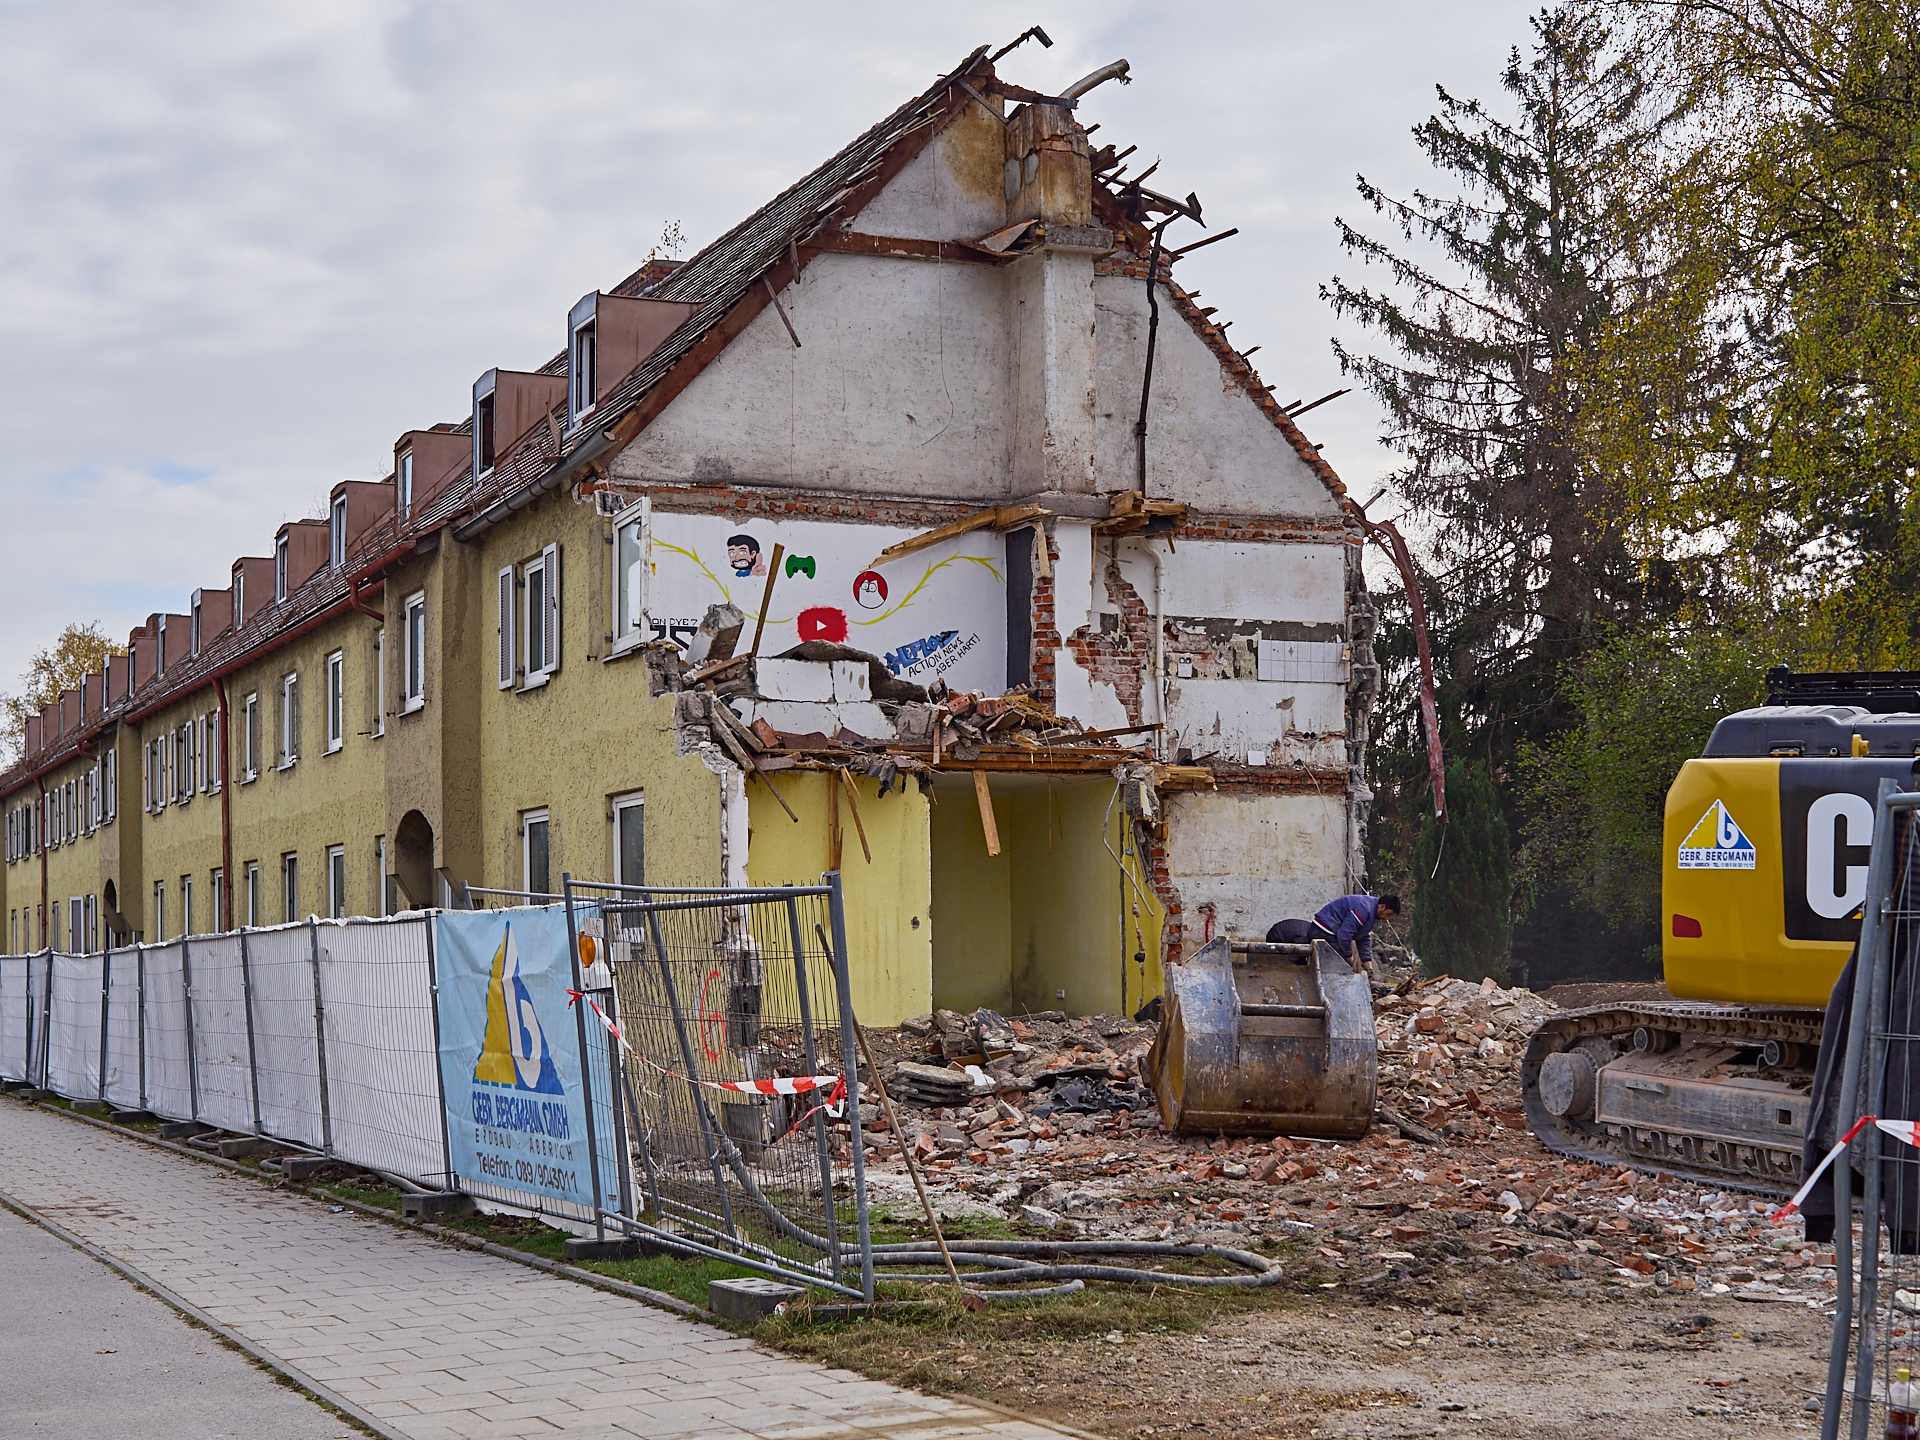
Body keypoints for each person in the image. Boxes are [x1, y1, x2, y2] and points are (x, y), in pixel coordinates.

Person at [1266, 894, 1400, 970]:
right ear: (1382, 906)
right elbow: (1344, 935)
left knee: (1341, 964)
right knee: (1339, 966)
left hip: (1330, 931)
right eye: (1388, 914)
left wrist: (1367, 961)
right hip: (1324, 930)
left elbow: (1363, 937)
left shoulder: (1370, 912)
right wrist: (1348, 957)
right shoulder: (1364, 908)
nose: (1387, 919)